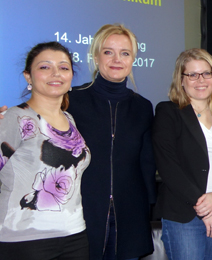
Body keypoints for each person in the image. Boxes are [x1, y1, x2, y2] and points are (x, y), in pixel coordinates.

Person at [67, 24, 156, 260]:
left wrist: (148, 207)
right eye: (108, 52)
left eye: (125, 53)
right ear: (96, 57)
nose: (117, 59)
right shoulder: (71, 100)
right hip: (83, 214)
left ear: (133, 59)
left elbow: (146, 164)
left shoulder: (143, 107)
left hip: (130, 216)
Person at [152, 48, 212, 260]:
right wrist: (205, 208)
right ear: (181, 80)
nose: (200, 80)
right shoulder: (168, 112)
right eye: (192, 75)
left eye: (206, 73)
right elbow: (168, 167)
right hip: (184, 214)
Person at [0, 42, 91, 259]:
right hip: (24, 240)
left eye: (63, 67)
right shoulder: (15, 118)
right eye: (44, 67)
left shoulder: (69, 119)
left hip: (75, 235)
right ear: (28, 77)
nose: (55, 73)